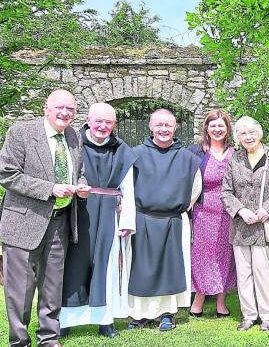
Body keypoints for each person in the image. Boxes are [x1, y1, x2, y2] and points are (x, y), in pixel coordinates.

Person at [0, 89, 88, 347]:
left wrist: (81, 186)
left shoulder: (73, 136)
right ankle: (19, 341)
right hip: (23, 223)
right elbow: (7, 174)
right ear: (45, 107)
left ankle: (49, 338)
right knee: (20, 291)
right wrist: (49, 188)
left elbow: (78, 171)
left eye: (70, 109)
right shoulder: (21, 133)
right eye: (60, 107)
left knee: (52, 287)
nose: (65, 113)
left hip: (60, 221)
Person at [60, 103, 138, 339]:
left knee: (107, 265)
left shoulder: (121, 149)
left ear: (114, 124)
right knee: (72, 265)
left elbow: (127, 187)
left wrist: (127, 220)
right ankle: (66, 320)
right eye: (99, 121)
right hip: (77, 209)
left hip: (109, 212)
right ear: (88, 120)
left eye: (109, 122)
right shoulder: (72, 143)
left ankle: (105, 320)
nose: (103, 126)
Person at [127, 108, 202, 331]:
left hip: (173, 220)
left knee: (170, 269)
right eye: (159, 125)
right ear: (150, 126)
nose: (163, 129)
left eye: (168, 125)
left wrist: (174, 207)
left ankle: (167, 314)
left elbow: (195, 189)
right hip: (143, 220)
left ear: (175, 127)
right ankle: (138, 315)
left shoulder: (188, 158)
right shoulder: (136, 154)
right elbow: (126, 186)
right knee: (140, 268)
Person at [220, 116, 269, 332]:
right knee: (243, 272)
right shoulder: (235, 159)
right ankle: (249, 315)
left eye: (252, 132)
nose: (248, 137)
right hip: (241, 225)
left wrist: (267, 209)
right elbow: (226, 191)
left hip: (262, 225)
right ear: (237, 137)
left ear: (260, 133)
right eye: (242, 133)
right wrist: (240, 210)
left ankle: (268, 316)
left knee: (263, 271)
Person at [188, 110, 236, 318]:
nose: (217, 129)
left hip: (228, 212)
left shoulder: (236, 153)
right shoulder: (196, 152)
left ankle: (221, 302)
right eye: (213, 125)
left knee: (226, 255)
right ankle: (198, 299)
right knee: (201, 255)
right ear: (206, 128)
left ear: (227, 129)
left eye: (221, 126)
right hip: (203, 211)